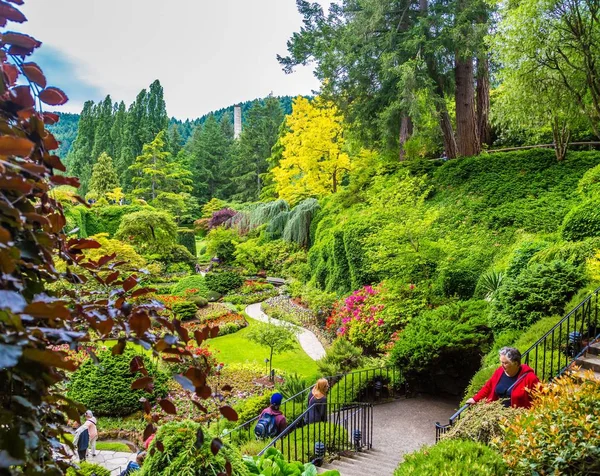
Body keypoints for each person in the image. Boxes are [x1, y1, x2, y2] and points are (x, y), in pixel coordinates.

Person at [466, 347, 540, 409]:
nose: (502, 365)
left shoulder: (530, 378)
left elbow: (540, 398)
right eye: (501, 362)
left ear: (516, 363)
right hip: (498, 414)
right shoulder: (500, 371)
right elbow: (488, 387)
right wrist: (475, 399)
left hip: (517, 420)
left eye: (505, 363)